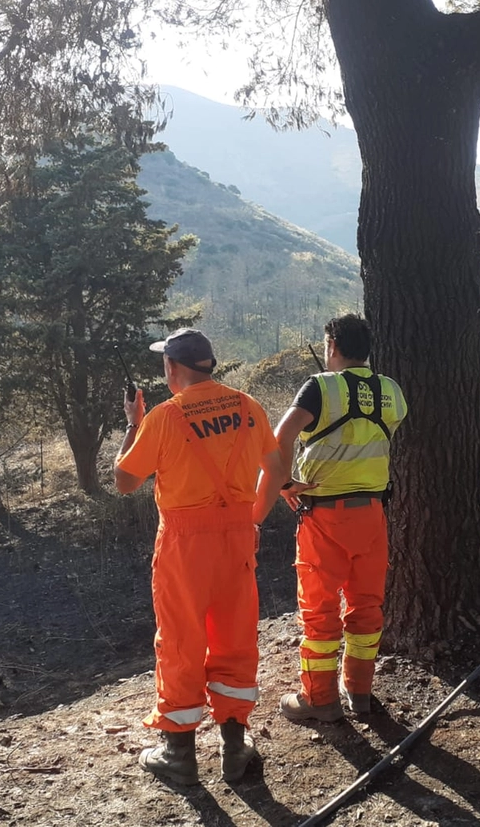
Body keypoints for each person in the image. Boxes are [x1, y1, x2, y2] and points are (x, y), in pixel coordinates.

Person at [114, 328, 289, 785]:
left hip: (185, 544)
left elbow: (125, 480)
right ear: (208, 364)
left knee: (180, 639)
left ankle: (179, 754)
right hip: (236, 536)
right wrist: (253, 519)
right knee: (234, 635)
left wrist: (134, 423)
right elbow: (276, 468)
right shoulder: (249, 406)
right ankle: (235, 748)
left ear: (172, 368)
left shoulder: (165, 417)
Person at [272, 314, 408, 722]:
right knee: (367, 606)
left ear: (331, 344)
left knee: (320, 612)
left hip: (324, 516)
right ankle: (360, 692)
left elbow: (280, 436)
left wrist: (285, 484)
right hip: (372, 514)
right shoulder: (393, 392)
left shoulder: (320, 387)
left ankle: (319, 699)